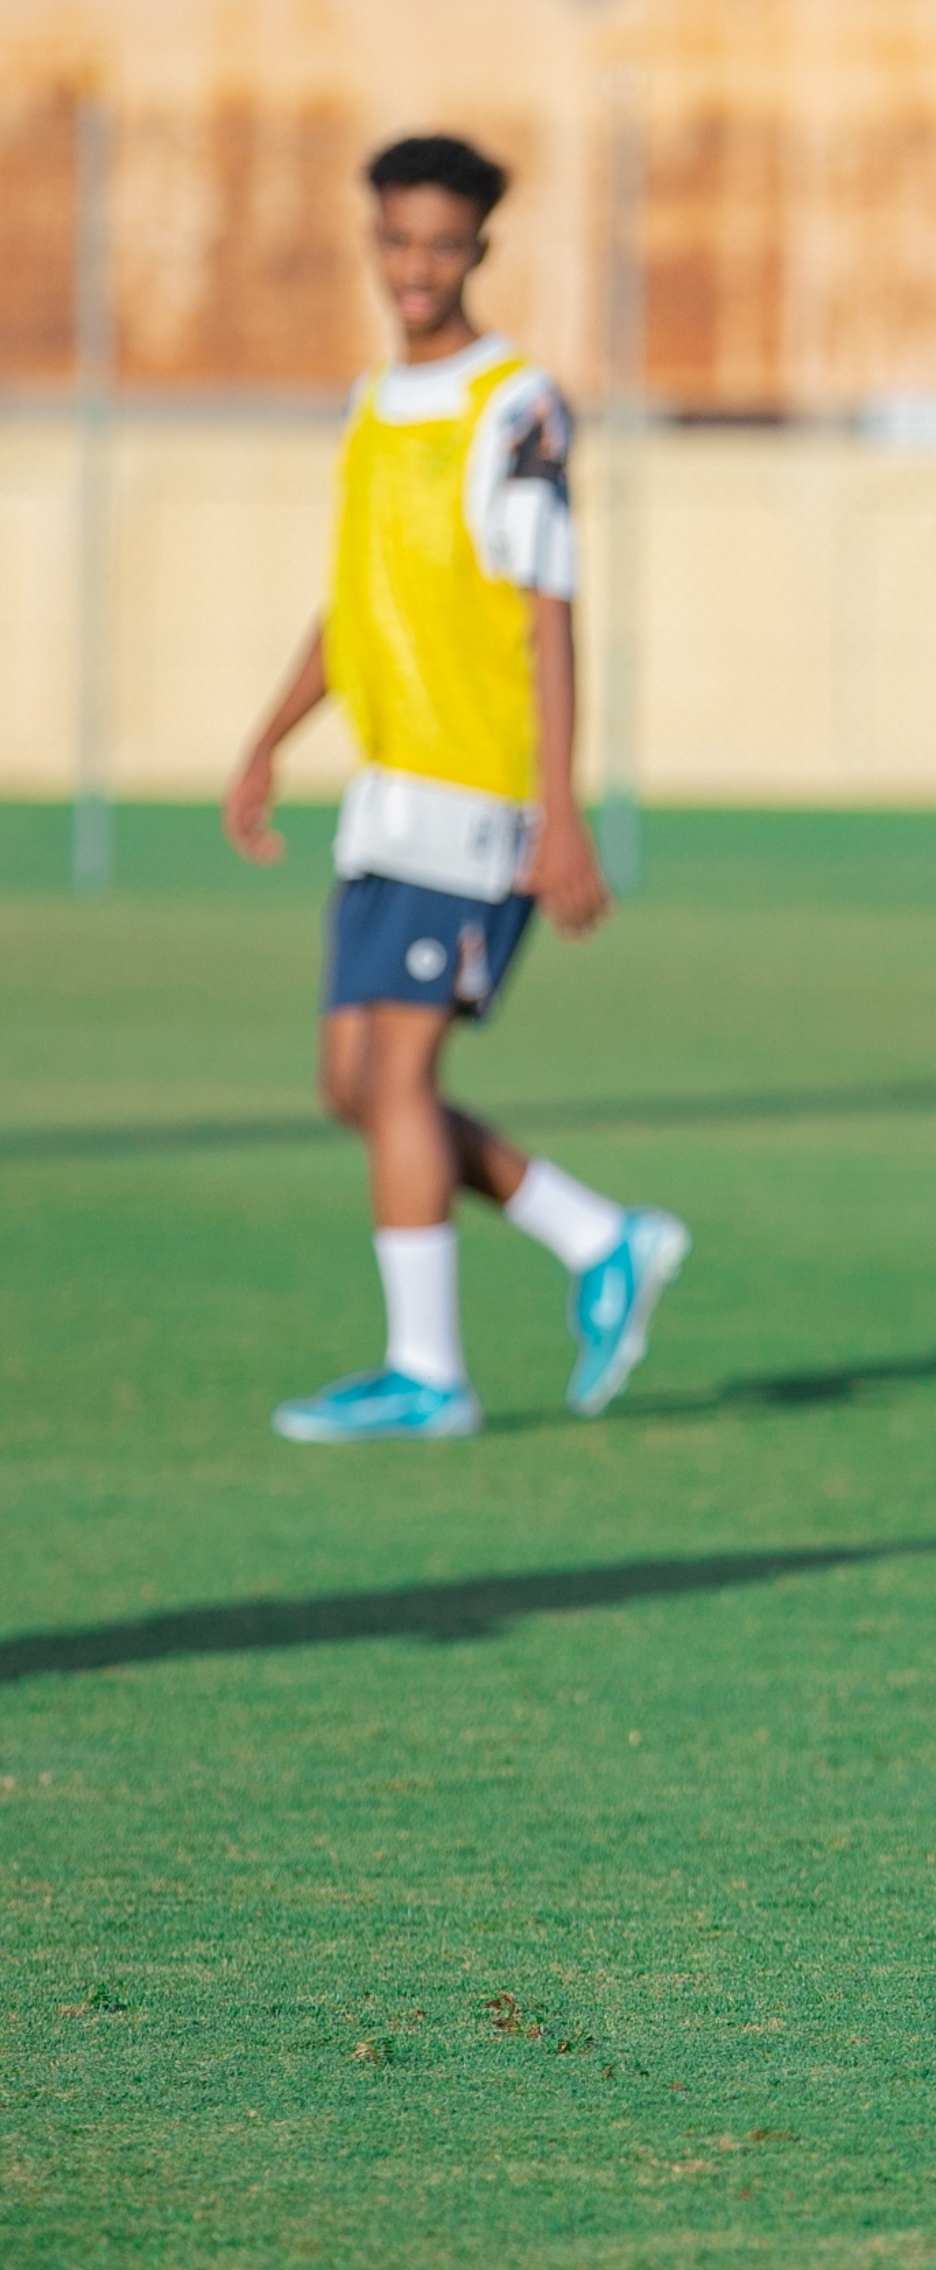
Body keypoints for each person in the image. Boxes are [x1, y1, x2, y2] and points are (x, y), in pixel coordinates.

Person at [224, 133, 687, 1441]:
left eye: (441, 243)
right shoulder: (376, 398)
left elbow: (549, 614)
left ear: (477, 249)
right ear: (372, 239)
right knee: (353, 1085)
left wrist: (564, 813)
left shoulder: (517, 403)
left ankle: (429, 1374)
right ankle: (602, 1237)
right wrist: (271, 736)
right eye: (396, 240)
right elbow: (358, 601)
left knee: (403, 1073)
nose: (415, 266)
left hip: (480, 797)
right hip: (386, 797)